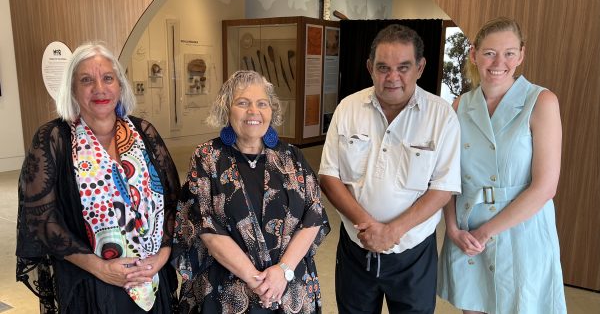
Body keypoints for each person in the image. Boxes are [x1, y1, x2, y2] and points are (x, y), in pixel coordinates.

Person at [15, 42, 181, 313]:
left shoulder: (144, 132)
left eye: (107, 78)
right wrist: (101, 268)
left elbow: (175, 201)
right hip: (91, 284)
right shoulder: (54, 138)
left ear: (120, 85)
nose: (100, 89)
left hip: (150, 277)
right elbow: (40, 218)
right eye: (86, 80)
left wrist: (161, 257)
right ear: (72, 89)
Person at [319, 24, 461, 313]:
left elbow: (443, 188)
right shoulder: (348, 108)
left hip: (413, 254)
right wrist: (369, 227)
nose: (392, 77)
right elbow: (329, 176)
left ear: (420, 67)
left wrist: (393, 231)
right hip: (356, 248)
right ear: (370, 67)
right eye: (383, 67)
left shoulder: (441, 115)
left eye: (403, 67)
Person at [171, 70, 330, 313]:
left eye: (262, 103)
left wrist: (283, 272)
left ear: (271, 110)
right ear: (227, 110)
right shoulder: (207, 158)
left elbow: (314, 214)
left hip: (289, 288)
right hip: (225, 292)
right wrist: (256, 279)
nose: (253, 111)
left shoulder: (291, 157)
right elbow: (204, 224)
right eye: (242, 103)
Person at [437, 17, 567, 314]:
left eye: (509, 53)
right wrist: (453, 229)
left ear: (521, 55)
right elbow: (448, 176)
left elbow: (545, 187)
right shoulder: (461, 105)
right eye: (489, 52)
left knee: (520, 305)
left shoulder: (542, 101)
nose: (499, 62)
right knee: (473, 307)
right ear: (474, 54)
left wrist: (487, 232)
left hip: (521, 229)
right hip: (467, 228)